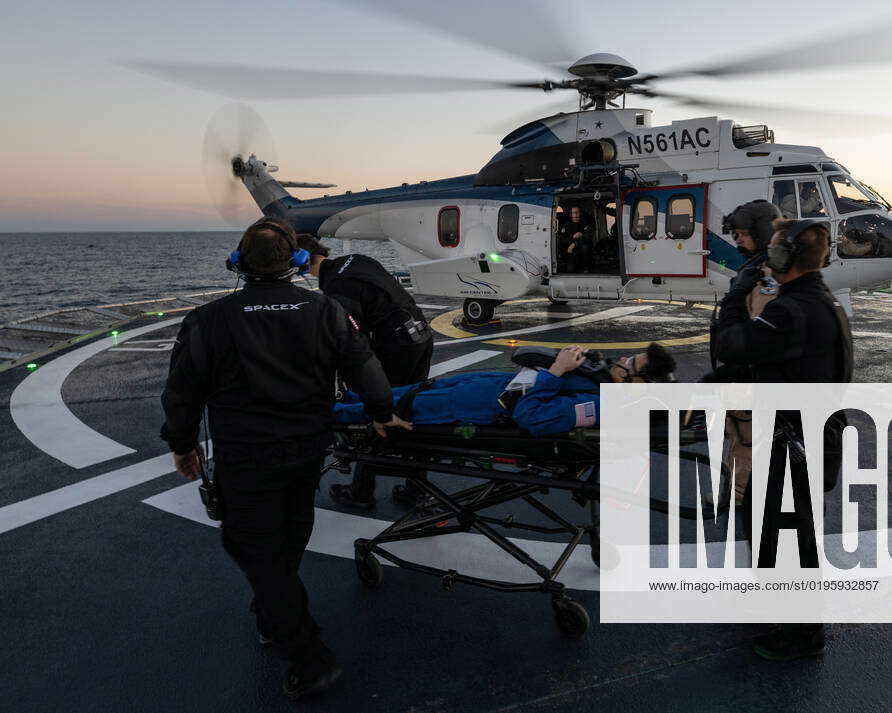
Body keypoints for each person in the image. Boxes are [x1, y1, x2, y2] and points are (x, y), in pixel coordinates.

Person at [160, 218, 409, 701]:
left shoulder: (209, 320)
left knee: (253, 550)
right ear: (296, 263)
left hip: (247, 459)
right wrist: (382, 413)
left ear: (238, 263)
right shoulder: (326, 310)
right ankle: (274, 618)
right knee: (291, 537)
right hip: (308, 452)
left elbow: (182, 393)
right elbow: (365, 367)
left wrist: (182, 445)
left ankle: (310, 658)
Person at [712, 217, 854, 662]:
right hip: (799, 436)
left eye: (774, 250)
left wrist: (737, 293)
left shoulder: (793, 310)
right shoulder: (814, 300)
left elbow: (731, 343)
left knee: (790, 537)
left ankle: (804, 635)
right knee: (768, 527)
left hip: (795, 442)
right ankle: (777, 606)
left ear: (783, 257)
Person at [296, 235, 433, 509]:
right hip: (420, 335)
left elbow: (354, 342)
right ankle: (416, 489)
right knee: (411, 409)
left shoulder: (337, 288)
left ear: (299, 262)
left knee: (379, 414)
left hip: (398, 347)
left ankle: (361, 492)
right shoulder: (356, 260)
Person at [335, 344, 677, 435]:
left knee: (396, 404)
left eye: (630, 363)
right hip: (484, 385)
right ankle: (336, 398)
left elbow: (533, 418)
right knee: (398, 392)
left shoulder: (599, 405)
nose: (621, 360)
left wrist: (557, 370)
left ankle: (313, 412)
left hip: (477, 407)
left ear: (636, 386)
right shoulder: (604, 383)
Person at [704, 200, 782, 383]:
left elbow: (760, 330)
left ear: (762, 233)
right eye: (736, 234)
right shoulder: (757, 266)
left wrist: (735, 295)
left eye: (744, 234)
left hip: (754, 370)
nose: (738, 239)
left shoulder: (765, 272)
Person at [558, 205, 594, 273]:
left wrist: (574, 244)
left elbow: (588, 238)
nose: (576, 214)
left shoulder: (585, 224)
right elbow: (563, 240)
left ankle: (586, 267)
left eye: (577, 212)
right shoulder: (566, 225)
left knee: (586, 246)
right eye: (574, 213)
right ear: (571, 214)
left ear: (580, 213)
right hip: (571, 251)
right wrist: (573, 237)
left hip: (582, 249)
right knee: (570, 269)